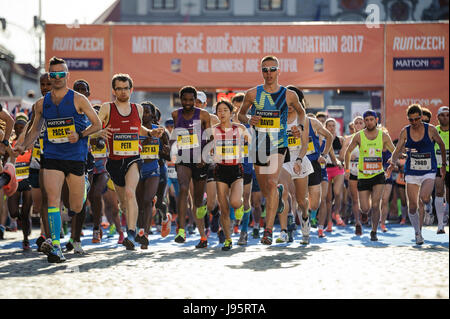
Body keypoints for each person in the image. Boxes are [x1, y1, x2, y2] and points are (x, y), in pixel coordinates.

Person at [13, 56, 102, 263]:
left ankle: (84, 186)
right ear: (49, 76)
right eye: (54, 74)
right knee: (52, 201)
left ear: (67, 76)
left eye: (61, 74)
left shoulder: (79, 99)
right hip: (52, 155)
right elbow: (35, 129)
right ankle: (56, 246)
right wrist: (23, 146)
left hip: (76, 157)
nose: (57, 77)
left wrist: (80, 135)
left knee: (76, 207)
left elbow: (97, 124)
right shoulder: (41, 104)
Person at [238, 55, 306, 245]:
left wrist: (299, 128)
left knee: (270, 180)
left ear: (278, 70)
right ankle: (278, 194)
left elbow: (301, 113)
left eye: (272, 69)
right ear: (261, 72)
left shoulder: (288, 95)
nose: (268, 73)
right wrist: (248, 119)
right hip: (258, 144)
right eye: (265, 70)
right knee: (268, 190)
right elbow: (240, 114)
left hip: (279, 143)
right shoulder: (252, 94)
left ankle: (268, 230)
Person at [97, 73, 164, 250]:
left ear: (131, 89)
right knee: (124, 204)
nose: (123, 92)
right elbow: (95, 127)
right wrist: (98, 134)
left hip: (133, 158)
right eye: (119, 88)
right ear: (114, 91)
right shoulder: (107, 108)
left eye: (126, 88)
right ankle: (130, 223)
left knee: (129, 193)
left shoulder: (138, 109)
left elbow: (137, 128)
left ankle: (132, 234)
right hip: (114, 161)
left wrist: (150, 133)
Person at [387, 104, 447, 245]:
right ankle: (417, 233)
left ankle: (428, 205)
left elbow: (442, 145)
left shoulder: (430, 129)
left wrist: (443, 165)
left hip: (428, 170)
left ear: (421, 118)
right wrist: (391, 165)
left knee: (424, 196)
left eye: (416, 119)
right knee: (412, 206)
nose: (414, 122)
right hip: (412, 171)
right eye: (411, 120)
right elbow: (397, 149)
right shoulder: (405, 131)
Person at [171, 86, 212, 246]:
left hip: (200, 160)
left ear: (195, 100)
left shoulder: (203, 114)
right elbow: (175, 136)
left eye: (191, 100)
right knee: (182, 189)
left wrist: (205, 156)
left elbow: (210, 138)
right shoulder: (176, 114)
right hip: (183, 158)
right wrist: (170, 148)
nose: (187, 103)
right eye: (184, 100)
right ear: (180, 100)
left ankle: (203, 236)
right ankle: (181, 229)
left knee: (198, 202)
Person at [345, 110, 395, 241]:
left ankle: (374, 231)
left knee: (376, 204)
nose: (368, 122)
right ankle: (364, 214)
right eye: (366, 120)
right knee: (365, 208)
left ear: (376, 120)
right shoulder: (359, 136)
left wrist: (395, 161)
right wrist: (347, 170)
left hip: (378, 174)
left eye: (371, 120)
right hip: (363, 176)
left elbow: (393, 151)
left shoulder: (383, 136)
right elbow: (348, 152)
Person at [213, 99, 249, 250]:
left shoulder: (240, 128)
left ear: (231, 112)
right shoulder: (213, 129)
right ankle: (228, 239)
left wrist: (247, 144)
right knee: (224, 208)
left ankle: (240, 207)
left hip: (236, 169)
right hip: (220, 169)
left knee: (234, 202)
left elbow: (251, 143)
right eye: (219, 111)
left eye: (225, 110)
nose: (221, 113)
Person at [7, 113, 33, 250]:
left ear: (25, 128)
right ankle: (23, 220)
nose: (18, 129)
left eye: (21, 127)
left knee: (26, 211)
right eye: (16, 127)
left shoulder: (30, 142)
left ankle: (25, 239)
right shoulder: (10, 142)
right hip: (14, 180)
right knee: (13, 213)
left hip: (28, 180)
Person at [342, 116, 365, 235]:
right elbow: (342, 156)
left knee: (366, 200)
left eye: (361, 123)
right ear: (353, 126)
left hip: (367, 172)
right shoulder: (349, 139)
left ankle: (365, 213)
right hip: (353, 171)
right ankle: (357, 222)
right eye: (357, 123)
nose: (359, 125)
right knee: (355, 199)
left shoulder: (370, 138)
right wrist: (347, 167)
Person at [324, 118, 346, 231]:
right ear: (325, 127)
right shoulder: (322, 139)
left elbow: (342, 157)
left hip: (338, 168)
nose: (332, 128)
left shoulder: (341, 140)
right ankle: (328, 222)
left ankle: (336, 213)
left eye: (333, 126)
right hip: (326, 169)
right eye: (329, 126)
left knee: (337, 192)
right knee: (328, 198)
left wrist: (334, 159)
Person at [433, 106, 449, 234]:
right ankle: (440, 225)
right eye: (442, 115)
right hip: (438, 166)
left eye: (447, 115)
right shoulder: (434, 131)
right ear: (438, 117)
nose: (445, 117)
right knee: (439, 192)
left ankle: (445, 215)